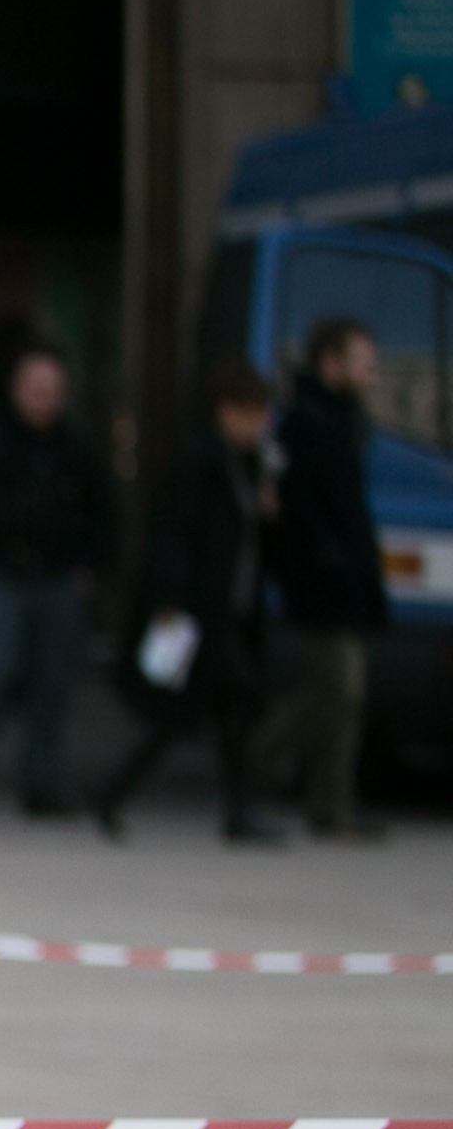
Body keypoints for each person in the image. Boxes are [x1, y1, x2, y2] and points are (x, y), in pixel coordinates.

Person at [0, 329, 113, 818]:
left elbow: (104, 510)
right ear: (16, 389)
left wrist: (90, 565)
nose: (43, 400)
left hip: (57, 578)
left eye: (52, 390)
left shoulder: (74, 444)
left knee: (52, 686)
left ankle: (41, 786)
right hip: (1, 576)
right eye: (35, 389)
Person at [95, 365, 284, 843]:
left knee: (211, 713)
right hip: (201, 612)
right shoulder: (199, 460)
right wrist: (169, 602)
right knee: (201, 711)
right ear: (228, 411)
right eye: (253, 413)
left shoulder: (245, 463)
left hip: (227, 610)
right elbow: (173, 537)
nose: (261, 424)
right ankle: (116, 793)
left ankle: (117, 792)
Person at [252, 316, 387, 838]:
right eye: (362, 362)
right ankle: (261, 752)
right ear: (330, 362)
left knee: (345, 697)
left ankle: (333, 807)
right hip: (323, 579)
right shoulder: (306, 421)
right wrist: (327, 559)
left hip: (346, 576)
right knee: (342, 691)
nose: (370, 373)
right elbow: (296, 507)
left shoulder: (345, 418)